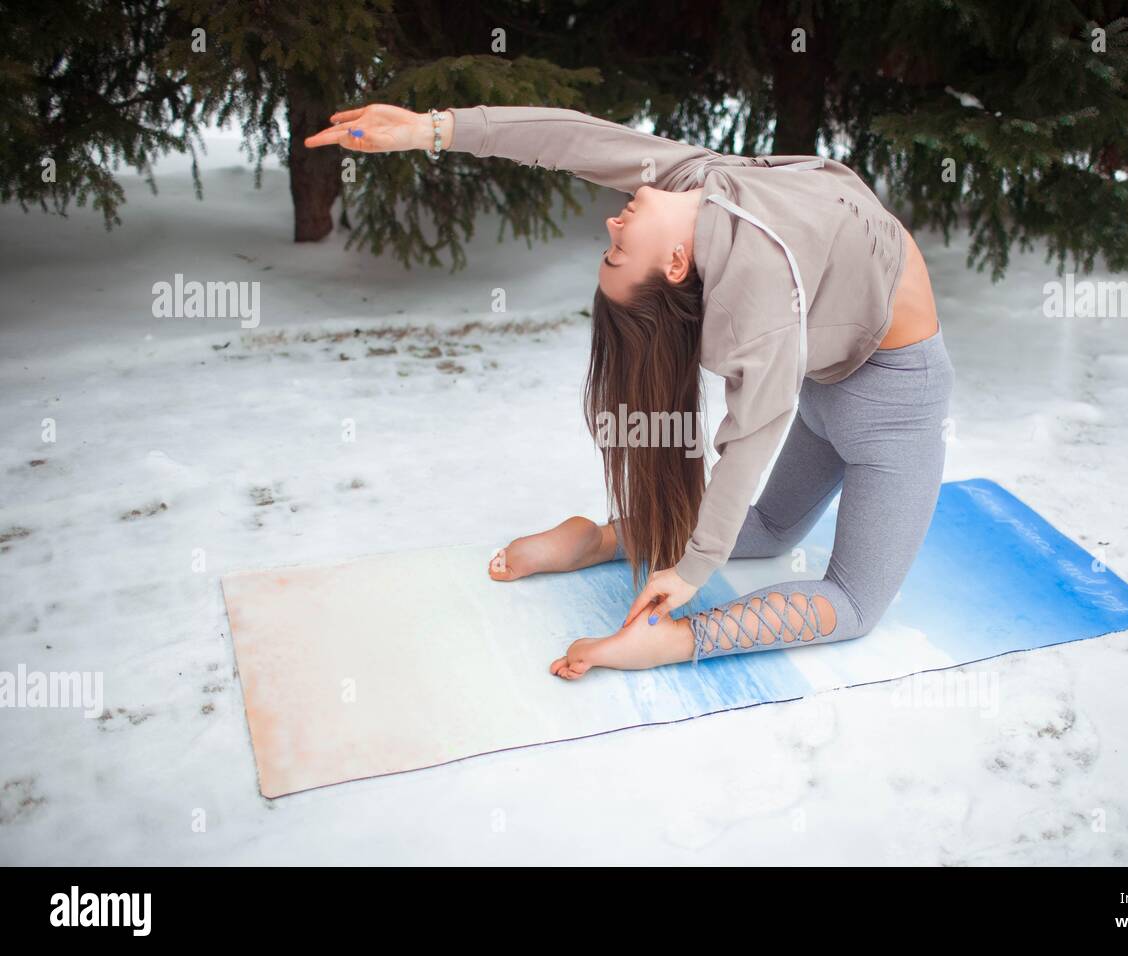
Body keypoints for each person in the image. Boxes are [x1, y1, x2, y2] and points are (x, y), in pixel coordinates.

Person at [306, 103, 954, 679]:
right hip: (895, 402)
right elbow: (753, 431)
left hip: (834, 383)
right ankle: (670, 641)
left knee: (770, 528)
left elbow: (573, 141)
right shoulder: (754, 271)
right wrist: (694, 572)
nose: (612, 227)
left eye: (611, 249)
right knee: (857, 602)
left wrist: (433, 129)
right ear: (676, 265)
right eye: (619, 253)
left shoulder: (700, 186)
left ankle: (603, 539)